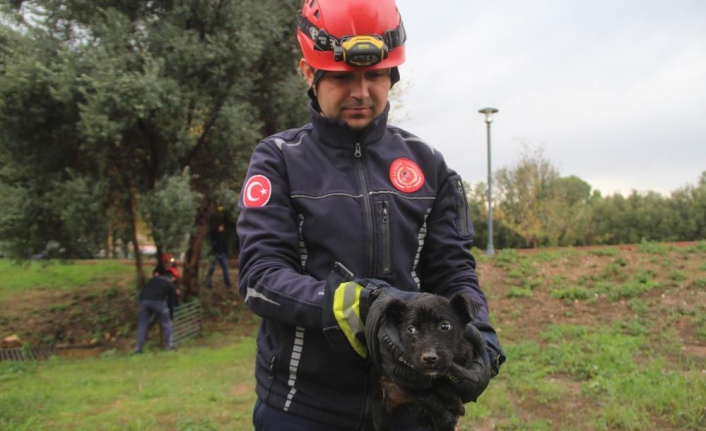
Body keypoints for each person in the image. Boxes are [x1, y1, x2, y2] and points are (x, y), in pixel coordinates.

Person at [236, 0, 505, 429]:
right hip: (303, 408)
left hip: (414, 406)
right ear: (308, 71)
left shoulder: (428, 164)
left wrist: (481, 334)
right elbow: (260, 279)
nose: (362, 92)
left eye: (376, 75)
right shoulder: (278, 160)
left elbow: (454, 272)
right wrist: (362, 303)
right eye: (343, 77)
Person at [135, 266, 179, 353]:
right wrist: (171, 317)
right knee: (166, 323)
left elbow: (144, 291)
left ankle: (138, 348)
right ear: (172, 278)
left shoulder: (153, 280)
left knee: (142, 324)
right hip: (158, 301)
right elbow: (172, 302)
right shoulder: (170, 284)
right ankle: (169, 346)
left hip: (144, 301)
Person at [204, 223, 232, 289]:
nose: (222, 228)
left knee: (225, 268)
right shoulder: (213, 234)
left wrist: (226, 252)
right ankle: (208, 282)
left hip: (221, 253)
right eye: (221, 227)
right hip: (215, 253)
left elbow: (224, 244)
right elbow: (213, 243)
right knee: (212, 268)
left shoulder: (222, 235)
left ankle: (227, 282)